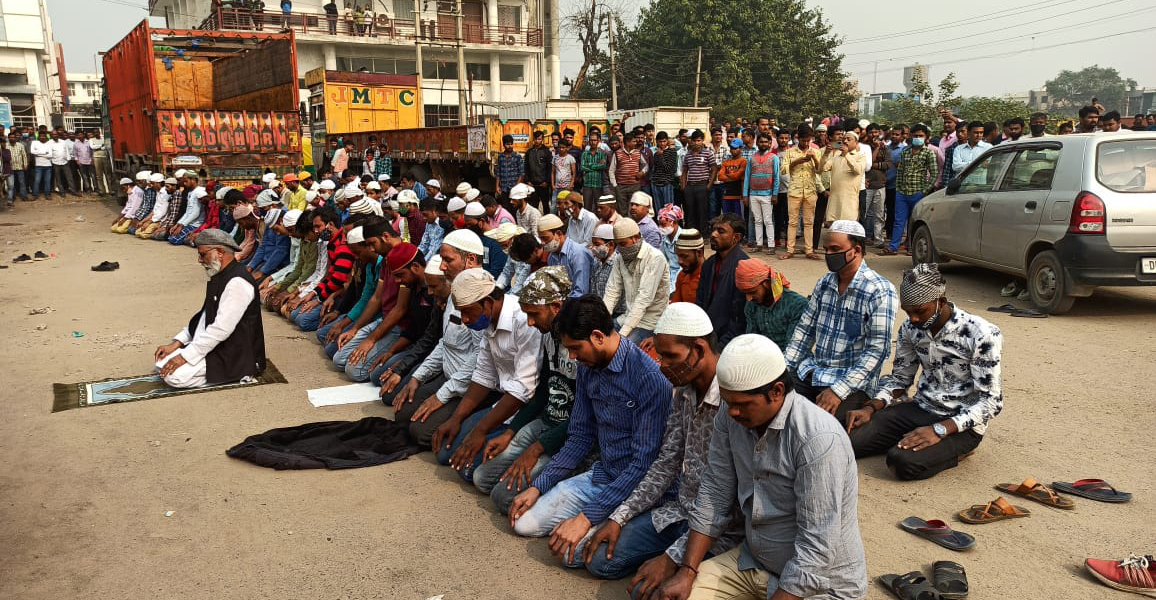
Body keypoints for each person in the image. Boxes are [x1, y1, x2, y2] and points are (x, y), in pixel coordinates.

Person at [650, 333, 867, 600]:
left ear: (777, 391)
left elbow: (816, 546)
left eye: (741, 404)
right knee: (668, 596)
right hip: (752, 562)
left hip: (821, 588)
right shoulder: (730, 416)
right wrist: (687, 571)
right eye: (728, 402)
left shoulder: (818, 438)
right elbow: (715, 492)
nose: (732, 412)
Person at [579, 302, 740, 585]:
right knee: (596, 557)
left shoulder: (736, 403)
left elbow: (729, 503)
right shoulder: (684, 393)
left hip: (718, 529)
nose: (662, 365)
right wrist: (619, 517)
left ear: (699, 349)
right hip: (680, 511)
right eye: (661, 355)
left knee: (649, 590)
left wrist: (673, 557)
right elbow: (666, 463)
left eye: (670, 356)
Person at [508, 296, 672, 568]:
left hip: (635, 488)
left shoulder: (650, 378)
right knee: (523, 523)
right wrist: (539, 486)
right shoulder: (588, 366)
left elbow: (643, 464)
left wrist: (586, 518)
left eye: (575, 348)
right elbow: (580, 436)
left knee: (572, 555)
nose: (573, 357)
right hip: (603, 474)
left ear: (597, 336)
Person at [845, 263, 1002, 480]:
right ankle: (908, 439)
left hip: (960, 423)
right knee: (845, 440)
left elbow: (991, 402)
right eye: (908, 312)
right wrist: (871, 408)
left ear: (941, 302)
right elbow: (900, 379)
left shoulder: (981, 334)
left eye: (919, 311)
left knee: (901, 462)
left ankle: (960, 451)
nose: (913, 319)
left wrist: (940, 430)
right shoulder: (910, 329)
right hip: (921, 408)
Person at [472, 267, 578, 513]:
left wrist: (538, 448)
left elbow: (584, 416)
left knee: (503, 498)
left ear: (556, 307)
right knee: (481, 478)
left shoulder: (579, 344)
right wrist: (511, 431)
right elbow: (543, 393)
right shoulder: (549, 336)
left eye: (534, 314)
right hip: (546, 422)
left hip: (569, 434)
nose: (530, 322)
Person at [433, 268, 544, 481]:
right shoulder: (489, 319)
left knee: (467, 471)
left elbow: (523, 389)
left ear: (488, 302)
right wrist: (456, 418)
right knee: (445, 454)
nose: (464, 319)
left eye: (467, 312)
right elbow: (484, 374)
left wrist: (479, 431)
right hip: (503, 403)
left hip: (524, 409)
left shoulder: (523, 319)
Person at [785, 220, 897, 424]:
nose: (829, 254)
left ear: (857, 250)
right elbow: (804, 331)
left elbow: (877, 350)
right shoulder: (825, 282)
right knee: (771, 401)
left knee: (823, 427)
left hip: (852, 382)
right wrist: (783, 369)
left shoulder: (879, 290)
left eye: (835, 249)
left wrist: (838, 391)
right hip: (815, 371)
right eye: (826, 249)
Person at [154, 229, 266, 389]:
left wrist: (184, 357)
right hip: (219, 345)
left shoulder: (237, 283)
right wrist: (177, 343)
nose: (200, 260)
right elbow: (204, 316)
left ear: (220, 252)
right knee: (161, 363)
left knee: (174, 377)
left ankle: (242, 373)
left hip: (234, 352)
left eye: (202, 254)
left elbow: (221, 329)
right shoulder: (221, 275)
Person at [603, 218, 670, 344]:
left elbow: (643, 299)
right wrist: (601, 320)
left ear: (636, 237)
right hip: (627, 317)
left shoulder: (655, 258)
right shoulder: (620, 258)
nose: (620, 248)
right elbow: (612, 291)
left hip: (649, 322)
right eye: (618, 245)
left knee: (620, 347)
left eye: (623, 244)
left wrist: (622, 335)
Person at [883, 124, 937, 255]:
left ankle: (911, 246)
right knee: (899, 221)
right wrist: (898, 188)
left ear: (926, 137)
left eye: (921, 136)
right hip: (902, 192)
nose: (918, 138)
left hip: (918, 192)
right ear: (911, 136)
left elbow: (934, 173)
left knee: (914, 221)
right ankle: (893, 247)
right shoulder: (906, 151)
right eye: (915, 135)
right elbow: (900, 171)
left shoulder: (928, 153)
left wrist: (924, 191)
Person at [729, 258, 805, 351]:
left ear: (766, 283)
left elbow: (794, 349)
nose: (749, 298)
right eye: (745, 293)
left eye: (753, 292)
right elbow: (752, 342)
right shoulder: (751, 305)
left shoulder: (797, 305)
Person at [695, 213, 748, 346]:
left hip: (729, 341)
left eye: (721, 231)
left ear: (736, 237)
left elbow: (739, 319)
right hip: (705, 333)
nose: (714, 234)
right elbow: (700, 302)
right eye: (713, 229)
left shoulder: (743, 267)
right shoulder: (709, 264)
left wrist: (719, 348)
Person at [779, 125, 822, 260]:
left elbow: (819, 170)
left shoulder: (816, 151)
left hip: (810, 190)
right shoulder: (790, 152)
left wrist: (814, 158)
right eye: (804, 140)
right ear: (798, 138)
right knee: (792, 222)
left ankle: (809, 250)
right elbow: (783, 170)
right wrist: (796, 161)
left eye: (808, 141)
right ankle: (790, 250)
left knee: (809, 222)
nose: (806, 143)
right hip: (794, 190)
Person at [537, 213, 593, 297]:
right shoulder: (552, 256)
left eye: (545, 238)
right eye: (540, 238)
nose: (542, 243)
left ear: (559, 234)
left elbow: (581, 292)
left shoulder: (578, 254)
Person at [822, 130, 866, 225]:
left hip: (849, 202)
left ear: (856, 142)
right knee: (834, 228)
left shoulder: (860, 156)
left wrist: (846, 155)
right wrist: (825, 154)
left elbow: (858, 170)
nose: (845, 141)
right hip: (834, 202)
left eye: (848, 139)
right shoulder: (836, 157)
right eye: (844, 139)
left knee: (847, 228)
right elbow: (822, 169)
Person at [679, 130, 718, 232]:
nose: (697, 143)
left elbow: (714, 169)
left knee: (702, 210)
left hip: (702, 185)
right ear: (691, 141)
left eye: (699, 140)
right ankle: (690, 232)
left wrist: (709, 185)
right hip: (690, 186)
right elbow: (684, 171)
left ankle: (703, 232)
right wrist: (683, 187)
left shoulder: (707, 153)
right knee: (689, 210)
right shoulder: (688, 155)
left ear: (702, 140)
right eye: (695, 141)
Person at [609, 132, 647, 216]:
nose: (636, 143)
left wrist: (642, 172)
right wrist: (615, 185)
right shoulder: (617, 153)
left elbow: (646, 165)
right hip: (621, 187)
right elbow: (611, 170)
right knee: (622, 210)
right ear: (627, 142)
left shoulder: (638, 153)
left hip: (635, 186)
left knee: (633, 209)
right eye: (634, 141)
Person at [670, 229, 704, 303]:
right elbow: (676, 305)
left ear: (699, 253)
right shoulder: (682, 275)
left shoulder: (710, 277)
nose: (679, 261)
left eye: (684, 256)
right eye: (678, 256)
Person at [656, 203, 684, 292]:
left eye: (663, 225)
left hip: (682, 274)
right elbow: (662, 258)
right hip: (670, 273)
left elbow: (685, 265)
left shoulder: (683, 238)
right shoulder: (664, 238)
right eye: (660, 225)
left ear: (674, 222)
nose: (661, 228)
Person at [579, 130, 609, 211]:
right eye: (591, 140)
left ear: (598, 141)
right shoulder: (585, 153)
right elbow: (582, 167)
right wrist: (597, 165)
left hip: (598, 184)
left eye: (594, 140)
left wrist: (589, 165)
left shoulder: (602, 153)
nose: (593, 142)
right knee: (587, 207)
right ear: (589, 141)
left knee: (598, 207)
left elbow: (603, 166)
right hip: (587, 184)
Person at [649, 132, 679, 207]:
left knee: (668, 208)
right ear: (657, 141)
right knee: (658, 208)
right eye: (660, 141)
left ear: (667, 141)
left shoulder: (672, 152)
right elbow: (655, 169)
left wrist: (661, 155)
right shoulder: (656, 154)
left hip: (667, 183)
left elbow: (668, 168)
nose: (662, 144)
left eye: (664, 141)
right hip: (656, 183)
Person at [495, 134, 525, 203]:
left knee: (514, 207)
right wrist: (497, 186)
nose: (510, 146)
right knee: (505, 206)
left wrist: (516, 187)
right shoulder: (501, 157)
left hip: (514, 188)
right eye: (508, 144)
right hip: (504, 188)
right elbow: (498, 172)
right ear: (504, 145)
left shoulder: (517, 156)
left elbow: (522, 173)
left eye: (511, 144)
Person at [551, 138, 577, 214]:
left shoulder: (570, 158)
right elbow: (552, 172)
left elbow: (574, 172)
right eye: (560, 147)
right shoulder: (555, 158)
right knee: (553, 207)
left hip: (567, 187)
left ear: (567, 148)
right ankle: (554, 221)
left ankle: (566, 221)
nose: (561, 149)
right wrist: (552, 185)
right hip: (557, 187)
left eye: (563, 147)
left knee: (566, 207)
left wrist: (571, 184)